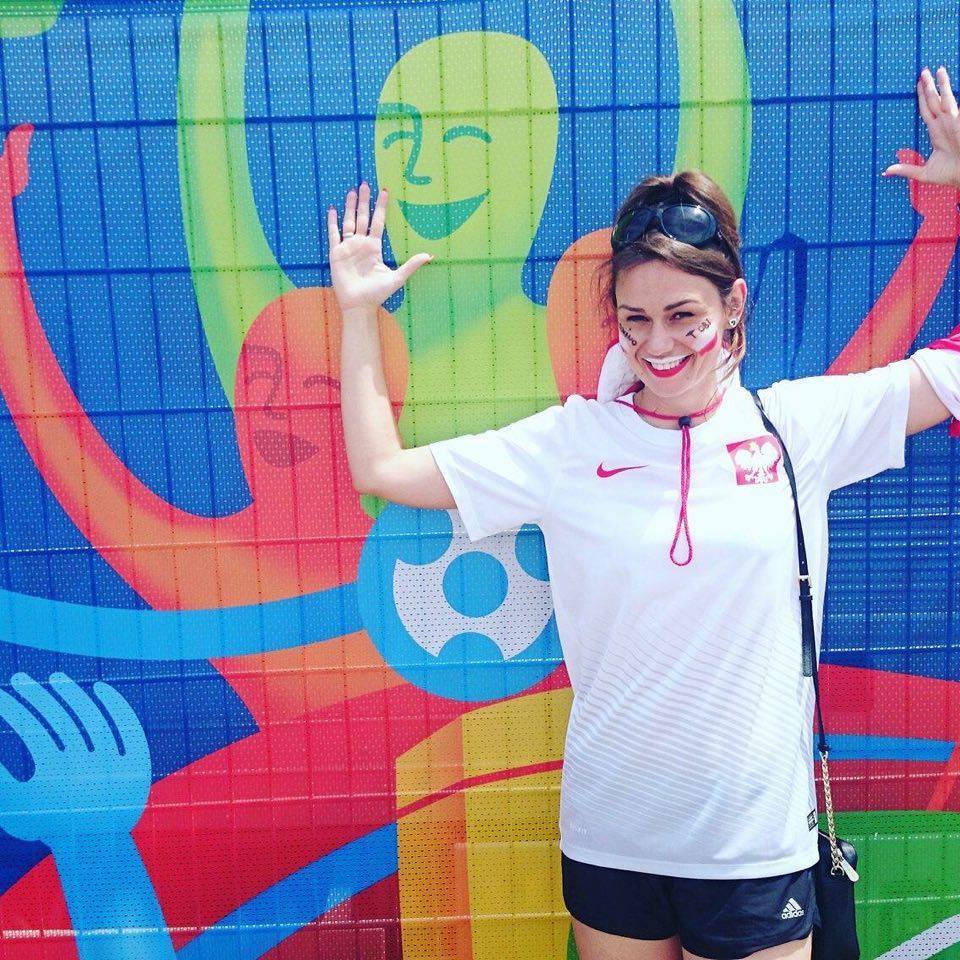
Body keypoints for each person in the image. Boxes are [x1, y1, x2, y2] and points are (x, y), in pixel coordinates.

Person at [330, 66, 960, 960]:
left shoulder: (800, 427)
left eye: (683, 316)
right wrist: (358, 313)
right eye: (635, 320)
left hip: (756, 848)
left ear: (734, 305)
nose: (659, 346)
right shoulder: (569, 443)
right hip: (611, 841)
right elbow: (383, 468)